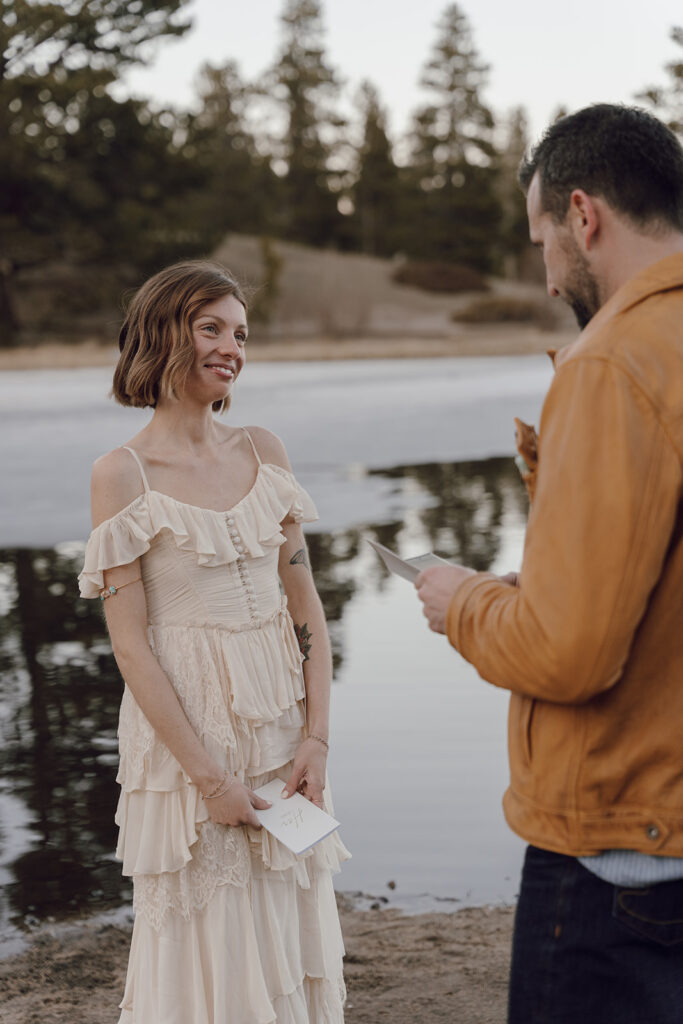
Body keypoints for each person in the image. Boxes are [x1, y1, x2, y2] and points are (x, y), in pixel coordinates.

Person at [415, 104, 683, 1024]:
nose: (544, 272)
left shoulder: (612, 363)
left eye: (540, 241)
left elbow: (568, 655)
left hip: (624, 856)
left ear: (583, 215)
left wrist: (465, 603)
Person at [78, 260, 349, 1024]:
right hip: (187, 742)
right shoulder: (121, 474)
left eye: (240, 333)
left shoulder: (264, 451)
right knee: (211, 929)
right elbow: (131, 648)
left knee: (288, 916)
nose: (232, 347)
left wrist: (317, 740)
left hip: (279, 725)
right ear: (164, 332)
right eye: (211, 328)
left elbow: (307, 610)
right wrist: (207, 780)